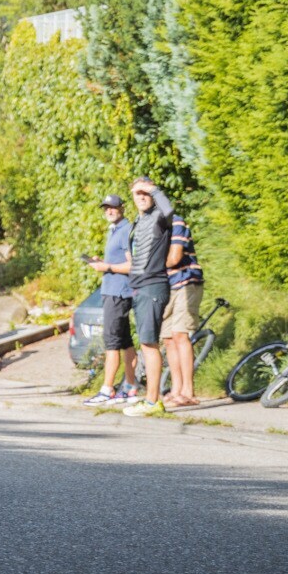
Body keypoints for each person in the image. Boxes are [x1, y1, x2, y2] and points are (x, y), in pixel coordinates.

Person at [120, 177, 175, 418]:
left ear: (152, 194)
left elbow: (169, 209)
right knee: (146, 343)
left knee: (149, 345)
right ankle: (150, 399)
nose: (141, 197)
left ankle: (153, 401)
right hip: (141, 288)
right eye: (137, 193)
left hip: (153, 287)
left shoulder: (159, 217)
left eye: (145, 193)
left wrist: (153, 189)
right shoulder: (138, 221)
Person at [85, 195, 139, 406]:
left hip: (119, 293)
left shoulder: (126, 230)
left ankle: (107, 390)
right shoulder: (115, 230)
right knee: (125, 342)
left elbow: (132, 265)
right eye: (106, 208)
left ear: (122, 208)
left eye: (113, 207)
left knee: (112, 341)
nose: (109, 211)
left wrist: (106, 267)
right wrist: (103, 262)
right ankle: (130, 387)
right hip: (114, 291)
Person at [161, 204, 204, 408]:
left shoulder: (175, 220)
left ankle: (188, 391)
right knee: (168, 338)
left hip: (186, 281)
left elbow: (175, 257)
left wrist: (151, 264)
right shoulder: (149, 225)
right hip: (166, 285)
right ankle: (176, 389)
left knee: (180, 334)